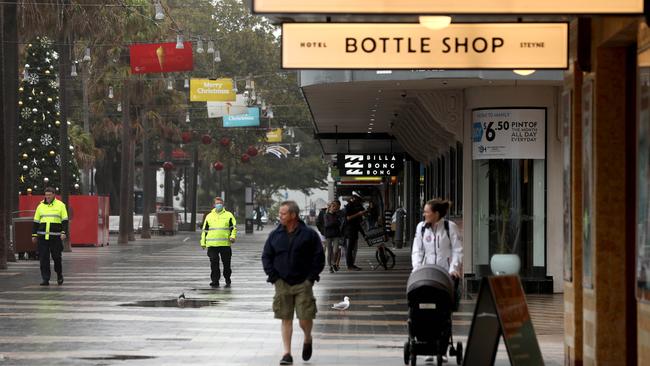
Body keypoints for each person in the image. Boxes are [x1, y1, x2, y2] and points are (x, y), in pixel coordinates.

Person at [262, 201, 325, 365]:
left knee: (305, 319)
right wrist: (274, 277)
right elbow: (266, 256)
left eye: (283, 213)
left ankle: (307, 338)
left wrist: (311, 278)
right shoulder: (275, 235)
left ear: (293, 215)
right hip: (282, 282)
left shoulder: (309, 235)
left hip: (303, 282)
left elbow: (319, 257)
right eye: (280, 213)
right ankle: (287, 353)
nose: (280, 216)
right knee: (286, 318)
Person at [32, 187, 69, 286]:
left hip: (55, 237)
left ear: (54, 195)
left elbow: (65, 221)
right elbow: (36, 222)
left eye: (49, 195)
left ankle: (59, 274)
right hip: (42, 237)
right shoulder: (40, 206)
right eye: (46, 195)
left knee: (57, 257)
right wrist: (34, 235)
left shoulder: (61, 205)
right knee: (43, 259)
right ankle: (45, 279)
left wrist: (63, 232)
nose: (47, 197)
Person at [200, 197, 237, 288]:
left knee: (226, 264)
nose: (218, 205)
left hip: (225, 244)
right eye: (217, 203)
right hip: (212, 245)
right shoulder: (209, 216)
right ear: (214, 205)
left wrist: (232, 237)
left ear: (223, 205)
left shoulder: (229, 215)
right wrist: (203, 242)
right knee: (214, 263)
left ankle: (227, 278)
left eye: (220, 203)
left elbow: (233, 228)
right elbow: (205, 230)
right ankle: (215, 280)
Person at [343, 193, 366, 271]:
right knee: (349, 249)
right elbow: (348, 218)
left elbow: (357, 222)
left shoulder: (354, 206)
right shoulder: (349, 206)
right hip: (349, 231)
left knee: (353, 248)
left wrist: (363, 234)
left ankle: (352, 264)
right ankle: (350, 265)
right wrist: (358, 214)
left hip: (354, 230)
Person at [323, 200, 345, 273]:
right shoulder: (326, 215)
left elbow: (339, 223)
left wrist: (333, 222)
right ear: (330, 208)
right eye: (333, 206)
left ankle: (333, 263)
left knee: (335, 251)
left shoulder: (337, 215)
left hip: (336, 235)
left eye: (335, 207)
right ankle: (330, 267)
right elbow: (327, 225)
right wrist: (335, 222)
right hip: (328, 235)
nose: (334, 208)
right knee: (329, 252)